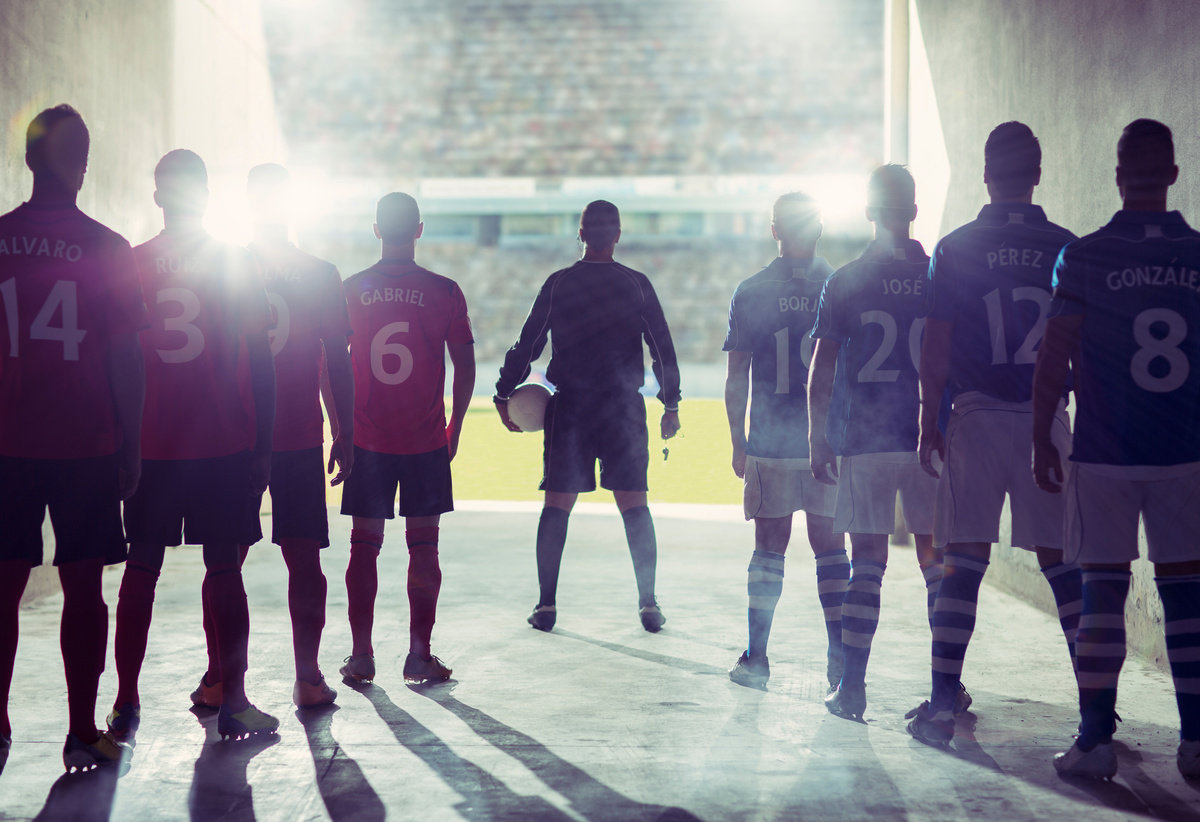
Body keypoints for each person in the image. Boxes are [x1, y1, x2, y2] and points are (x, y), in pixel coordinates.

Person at [905, 122, 1082, 745]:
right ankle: (1096, 715)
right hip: (1045, 420)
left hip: (977, 416)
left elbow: (937, 345)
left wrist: (929, 419)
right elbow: (1081, 349)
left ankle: (942, 703)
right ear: (1038, 174)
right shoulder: (1067, 247)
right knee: (1065, 566)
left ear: (986, 174)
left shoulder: (956, 247)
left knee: (964, 561)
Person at [1033, 119, 1200, 779]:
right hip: (1184, 451)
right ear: (1174, 175)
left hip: (1104, 452)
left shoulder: (1086, 255)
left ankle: (1095, 740)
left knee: (1102, 592)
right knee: (1187, 596)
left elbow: (1056, 351)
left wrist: (1041, 429)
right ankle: (1195, 743)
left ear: (1119, 176)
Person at [109, 149, 279, 743]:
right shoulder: (233, 260)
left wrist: (119, 440)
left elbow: (115, 361)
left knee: (141, 571)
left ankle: (125, 702)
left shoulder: (131, 263)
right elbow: (260, 359)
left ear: (158, 197)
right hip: (220, 441)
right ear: (206, 196)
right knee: (224, 570)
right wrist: (263, 442)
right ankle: (233, 700)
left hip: (152, 442)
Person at [0, 105, 145, 773]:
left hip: (8, 444)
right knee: (85, 589)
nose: (81, 163)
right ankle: (83, 730)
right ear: (74, 164)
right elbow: (125, 356)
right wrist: (131, 440)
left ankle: (0, 726)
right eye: (78, 152)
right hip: (84, 443)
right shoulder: (107, 248)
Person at [189, 164, 354, 711]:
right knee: (304, 559)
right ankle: (307, 679)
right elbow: (338, 360)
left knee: (224, 561)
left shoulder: (222, 267)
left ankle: (219, 678)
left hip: (234, 435)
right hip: (299, 433)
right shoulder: (320, 272)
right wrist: (345, 427)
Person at [496, 200, 681, 633]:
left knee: (557, 505)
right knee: (635, 505)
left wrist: (504, 393)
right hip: (622, 407)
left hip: (573, 406)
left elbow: (528, 344)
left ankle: (545, 606)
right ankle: (648, 603)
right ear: (617, 235)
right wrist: (670, 404)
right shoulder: (636, 284)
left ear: (580, 234)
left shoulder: (560, 284)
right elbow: (662, 348)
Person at [807, 165, 942, 719]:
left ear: (868, 212)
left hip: (865, 437)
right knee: (938, 565)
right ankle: (945, 690)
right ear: (913, 210)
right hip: (927, 435)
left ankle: (854, 688)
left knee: (868, 562)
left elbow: (822, 368)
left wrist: (819, 437)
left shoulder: (845, 280)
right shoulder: (939, 273)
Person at [336, 192, 473, 685]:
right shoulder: (444, 290)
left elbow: (328, 366)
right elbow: (466, 363)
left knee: (362, 547)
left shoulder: (351, 289)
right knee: (425, 547)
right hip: (424, 440)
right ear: (419, 230)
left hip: (368, 437)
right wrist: (455, 425)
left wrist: (341, 430)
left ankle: (360, 656)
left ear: (376, 230)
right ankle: (419, 654)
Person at [722, 192, 845, 690]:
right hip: (827, 442)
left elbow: (737, 375)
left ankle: (758, 658)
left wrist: (737, 439)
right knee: (831, 551)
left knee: (769, 549)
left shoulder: (752, 290)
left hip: (772, 441)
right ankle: (840, 661)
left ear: (775, 230)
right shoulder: (841, 284)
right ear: (819, 229)